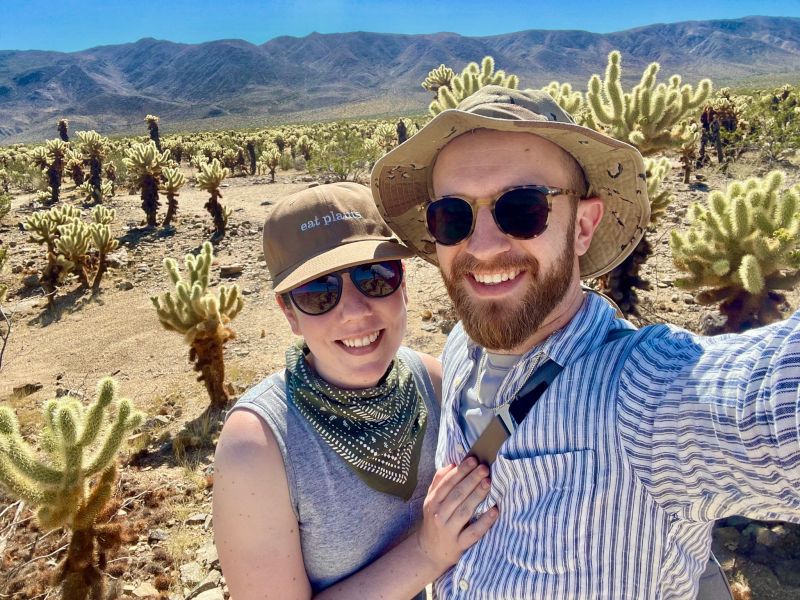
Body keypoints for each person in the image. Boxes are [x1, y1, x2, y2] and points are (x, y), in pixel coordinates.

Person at [371, 86, 800, 599]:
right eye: (452, 217)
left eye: (523, 209)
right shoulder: (464, 344)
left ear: (583, 226)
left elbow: (768, 398)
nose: (481, 248)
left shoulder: (646, 399)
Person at [212, 182, 498, 600]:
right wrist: (426, 552)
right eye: (318, 292)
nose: (356, 311)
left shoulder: (436, 384)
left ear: (403, 284)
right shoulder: (257, 447)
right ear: (289, 313)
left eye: (375, 277)